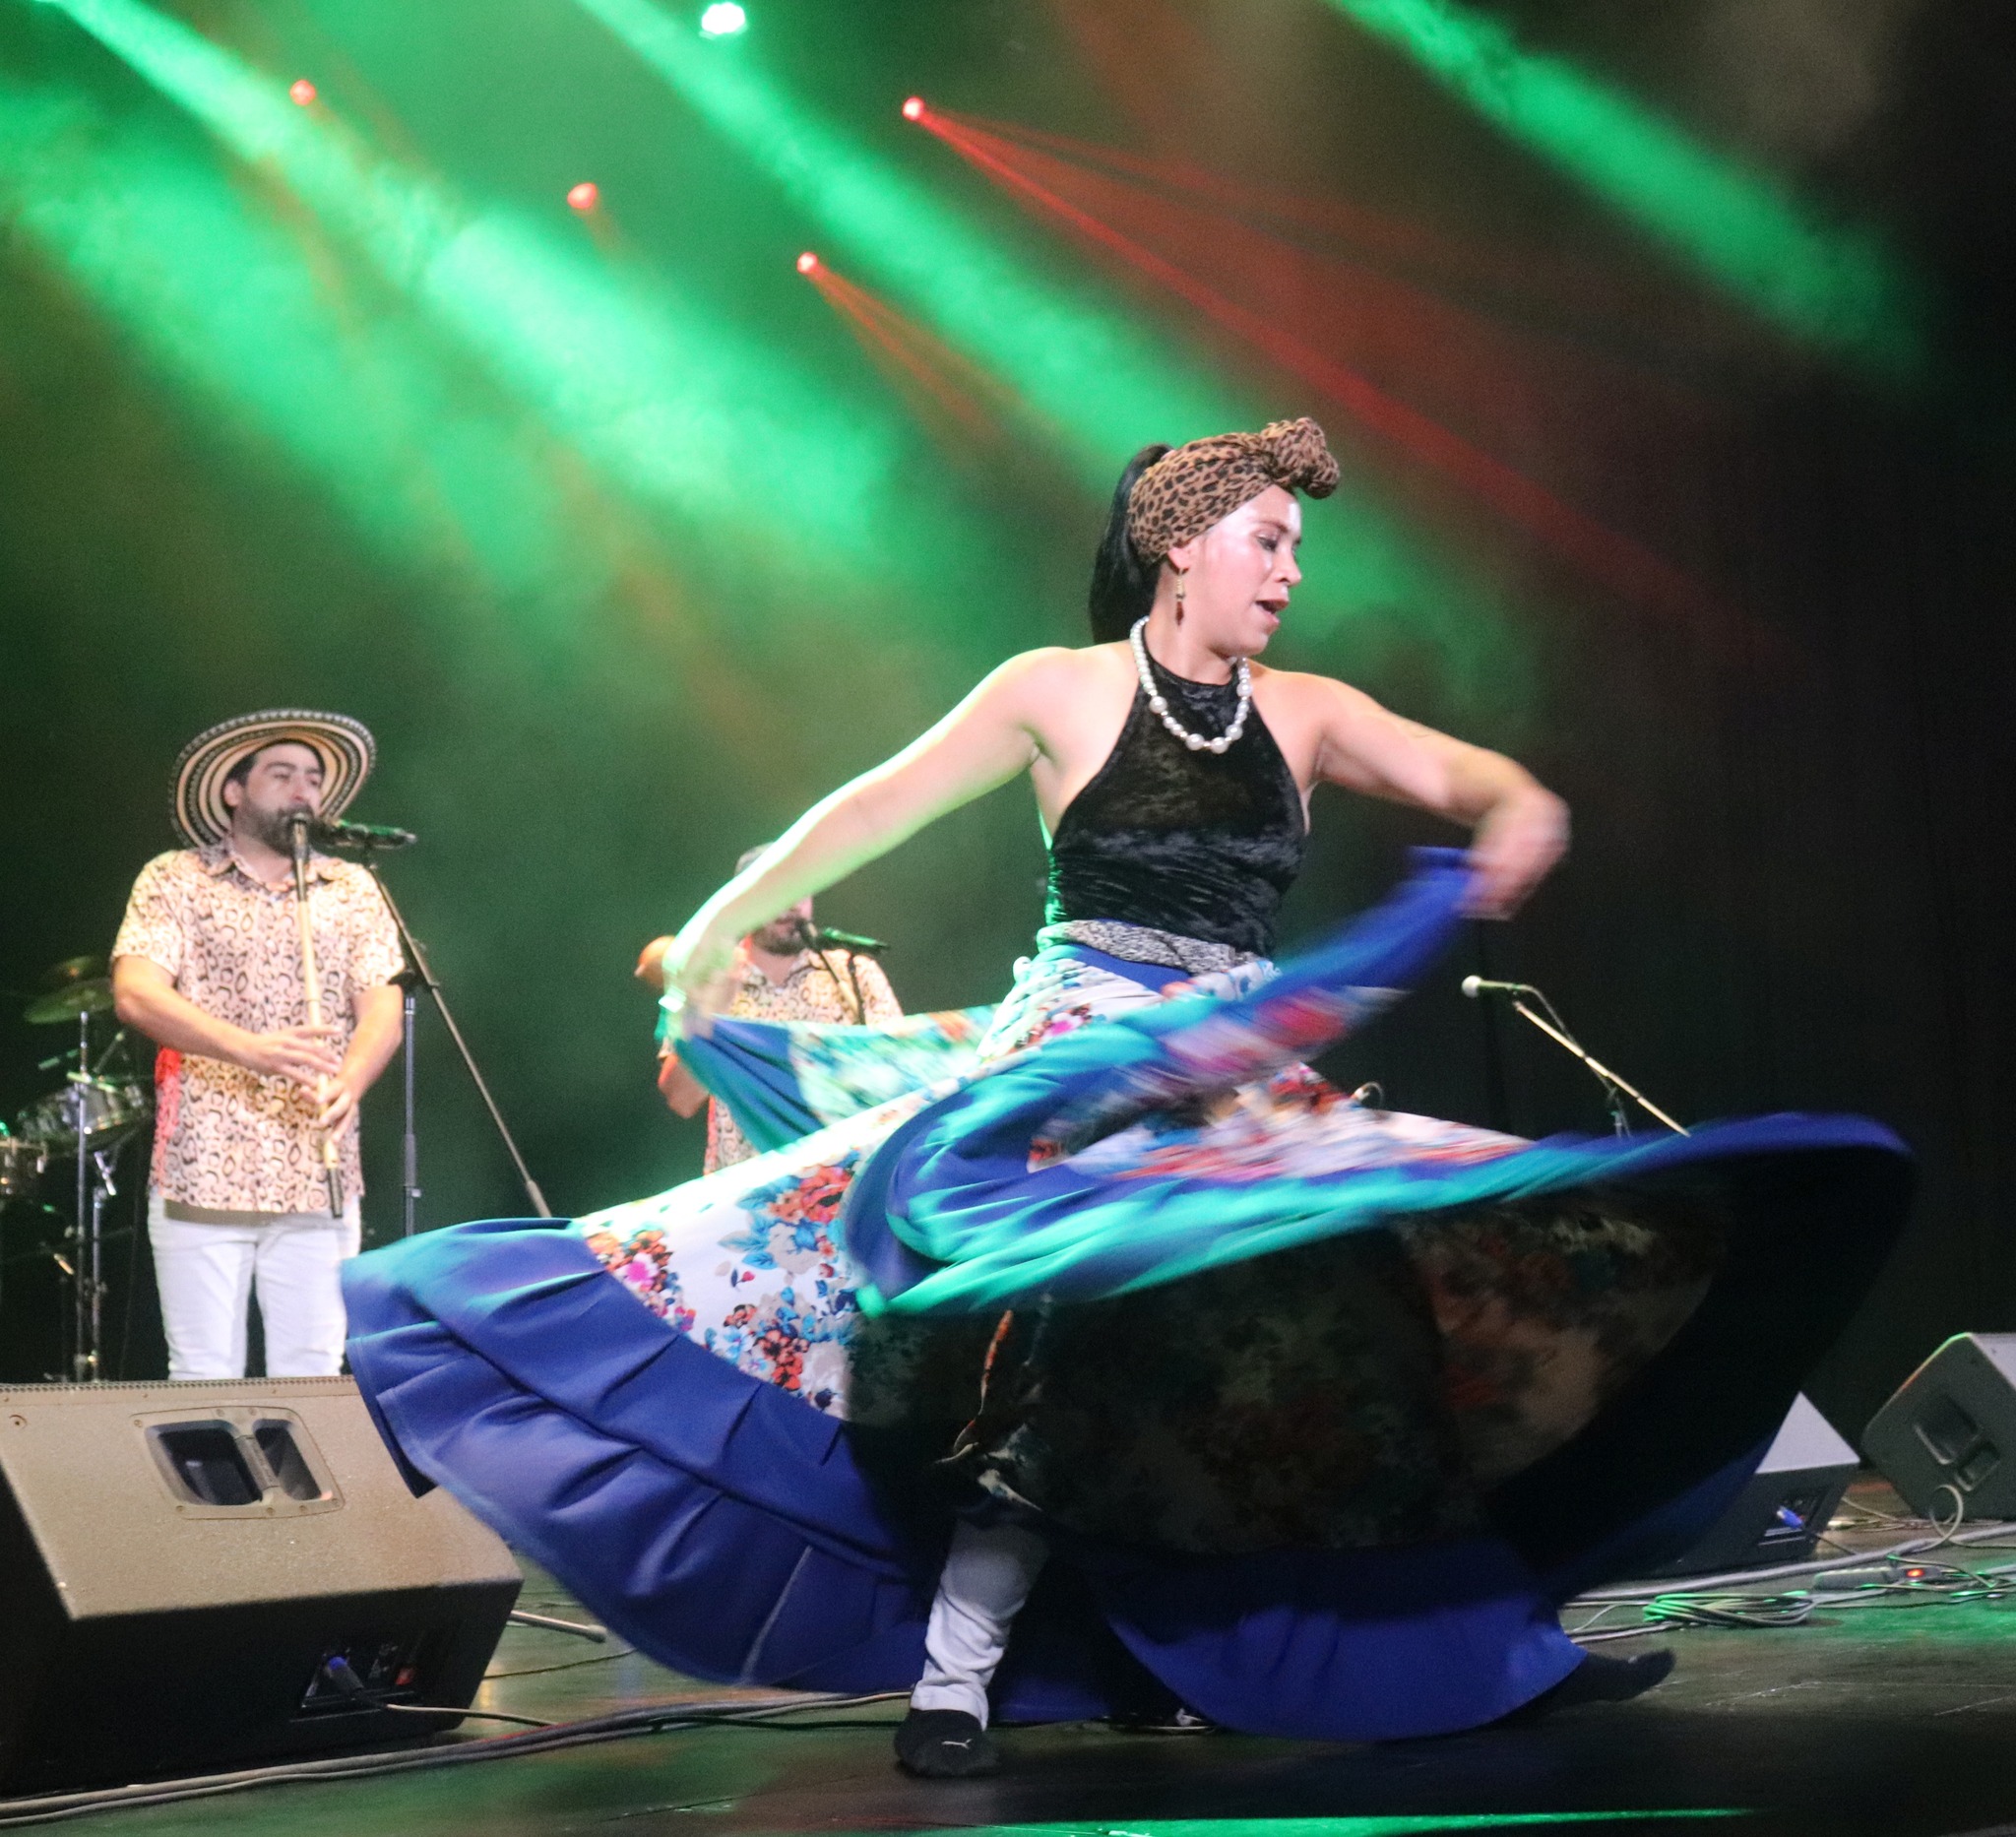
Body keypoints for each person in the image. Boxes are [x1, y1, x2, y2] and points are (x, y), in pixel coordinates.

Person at [342, 420, 1908, 1775]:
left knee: (1361, 1333)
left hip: (1240, 1081)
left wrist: (1519, 813)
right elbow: (866, 811)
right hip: (1080, 1066)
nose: (1290, 571)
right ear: (1181, 544)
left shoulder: (1308, 711)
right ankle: (955, 1675)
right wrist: (710, 933)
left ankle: (1479, 1649)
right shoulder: (1058, 690)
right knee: (1055, 1348)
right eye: (1269, 541)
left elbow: (1482, 779)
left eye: (1298, 549)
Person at [112, 710, 404, 1380]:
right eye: (282, 774)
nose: (303, 789)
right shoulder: (175, 878)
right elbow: (135, 992)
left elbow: (383, 1009)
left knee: (311, 1377)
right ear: (233, 790)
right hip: (203, 1168)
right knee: (203, 1378)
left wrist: (352, 1080)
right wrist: (250, 1050)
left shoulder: (351, 889)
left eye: (314, 778)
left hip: (318, 1172)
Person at [651, 845, 901, 1172]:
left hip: (850, 1183)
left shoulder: (854, 972)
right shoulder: (707, 979)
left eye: (800, 889)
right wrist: (712, 1006)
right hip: (754, 1190)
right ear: (741, 904)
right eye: (776, 891)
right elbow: (681, 1099)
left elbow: (900, 1078)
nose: (791, 904)